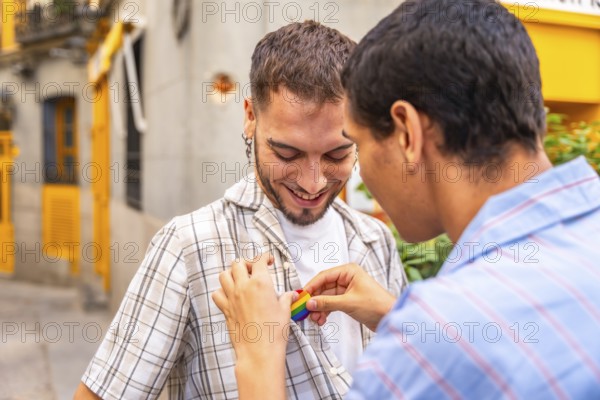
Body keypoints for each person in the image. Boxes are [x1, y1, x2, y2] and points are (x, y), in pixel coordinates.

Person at [212, 0, 600, 398]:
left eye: (350, 148)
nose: (314, 183)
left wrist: (258, 356)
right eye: (289, 153)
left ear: (408, 134)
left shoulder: (429, 347)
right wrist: (401, 317)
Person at [74, 21, 406, 400]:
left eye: (337, 154)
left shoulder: (374, 239)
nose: (313, 182)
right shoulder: (189, 246)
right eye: (287, 153)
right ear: (250, 116)